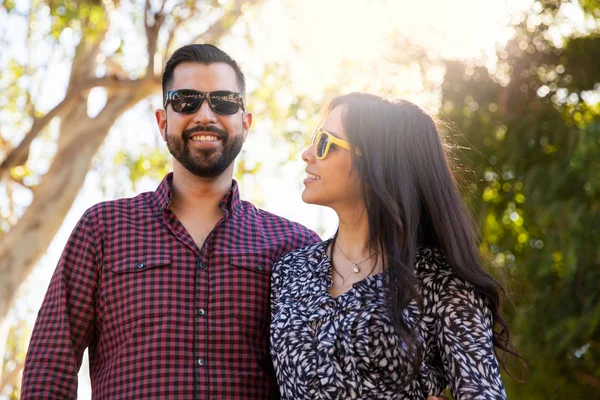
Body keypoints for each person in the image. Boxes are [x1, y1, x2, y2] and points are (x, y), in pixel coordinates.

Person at [20, 44, 321, 399]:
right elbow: (49, 364)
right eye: (185, 101)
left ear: (246, 121)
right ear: (163, 122)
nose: (205, 115)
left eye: (224, 101)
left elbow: (315, 376)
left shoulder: (296, 246)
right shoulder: (102, 229)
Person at [270, 93, 518, 399]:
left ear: (374, 160)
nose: (308, 154)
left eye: (324, 142)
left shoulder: (441, 282)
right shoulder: (291, 271)